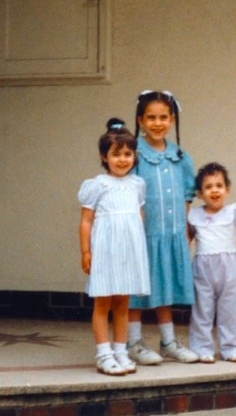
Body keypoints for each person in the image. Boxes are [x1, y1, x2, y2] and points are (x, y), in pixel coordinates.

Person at [127, 90, 199, 365]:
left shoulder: (180, 156)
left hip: (171, 235)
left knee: (165, 287)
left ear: (172, 120)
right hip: (143, 236)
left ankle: (168, 341)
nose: (158, 123)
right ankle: (133, 342)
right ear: (140, 120)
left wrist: (184, 230)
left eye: (163, 117)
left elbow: (186, 196)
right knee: (138, 290)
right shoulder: (134, 154)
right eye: (151, 117)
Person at [78, 118, 151, 376]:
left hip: (128, 251)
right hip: (106, 251)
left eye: (128, 154)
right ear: (104, 156)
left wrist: (138, 250)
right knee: (103, 303)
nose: (122, 159)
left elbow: (138, 217)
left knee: (123, 303)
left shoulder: (137, 184)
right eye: (116, 154)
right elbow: (86, 221)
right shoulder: (97, 185)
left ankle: (121, 351)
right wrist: (86, 251)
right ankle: (104, 354)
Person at [187, 162, 236, 363]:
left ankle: (230, 347)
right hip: (203, 268)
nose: (214, 191)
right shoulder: (194, 215)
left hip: (228, 267)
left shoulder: (233, 212)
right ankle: (201, 347)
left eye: (219, 186)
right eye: (208, 187)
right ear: (200, 194)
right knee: (203, 308)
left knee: (229, 309)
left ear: (227, 190)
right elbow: (187, 237)